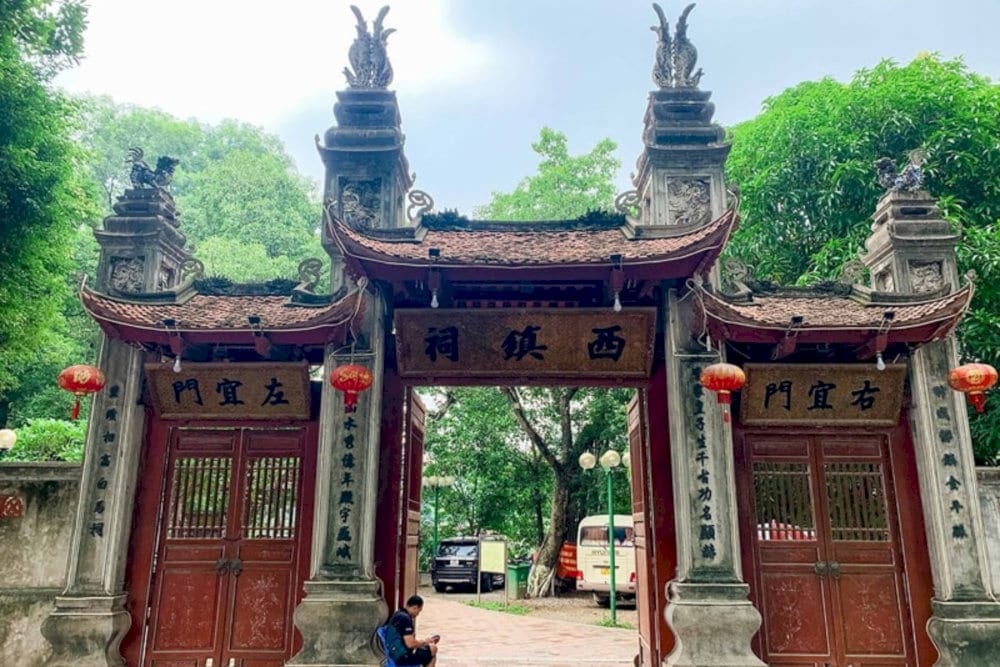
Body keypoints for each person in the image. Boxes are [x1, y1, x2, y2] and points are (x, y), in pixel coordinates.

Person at [388, 594, 439, 666]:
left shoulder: (399, 613)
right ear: (415, 607)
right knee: (433, 649)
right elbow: (410, 644)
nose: (418, 614)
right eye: (419, 611)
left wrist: (423, 643)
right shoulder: (405, 619)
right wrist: (425, 642)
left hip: (396, 652)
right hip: (401, 657)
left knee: (426, 649)